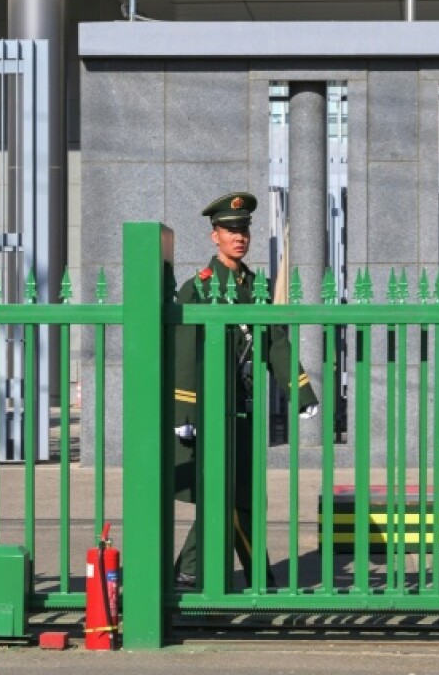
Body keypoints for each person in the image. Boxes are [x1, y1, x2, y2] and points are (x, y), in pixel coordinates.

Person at [173, 191, 319, 590]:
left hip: (243, 410)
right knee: (223, 493)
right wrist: (184, 414)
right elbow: (184, 351)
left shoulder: (254, 286)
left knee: (245, 494)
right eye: (230, 230)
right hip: (207, 411)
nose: (239, 237)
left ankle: (216, 572)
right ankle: (213, 572)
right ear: (214, 236)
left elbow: (276, 343)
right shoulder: (198, 288)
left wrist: (301, 392)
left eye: (244, 230)